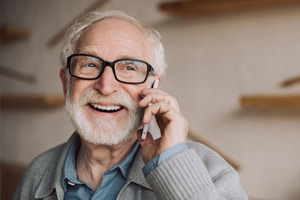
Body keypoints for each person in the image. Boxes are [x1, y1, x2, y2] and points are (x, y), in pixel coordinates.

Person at [14, 10, 248, 200]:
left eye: (128, 68)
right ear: (67, 84)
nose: (105, 87)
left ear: (154, 87)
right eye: (89, 64)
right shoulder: (38, 172)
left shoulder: (211, 170)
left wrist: (171, 165)